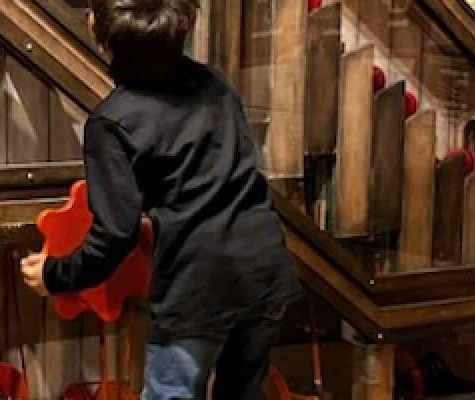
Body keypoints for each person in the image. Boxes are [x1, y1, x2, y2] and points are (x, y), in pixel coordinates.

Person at [18, 0, 304, 398]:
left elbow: (113, 237)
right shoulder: (215, 85)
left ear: (102, 40)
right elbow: (213, 179)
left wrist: (53, 275)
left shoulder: (111, 124)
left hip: (197, 291)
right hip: (264, 270)